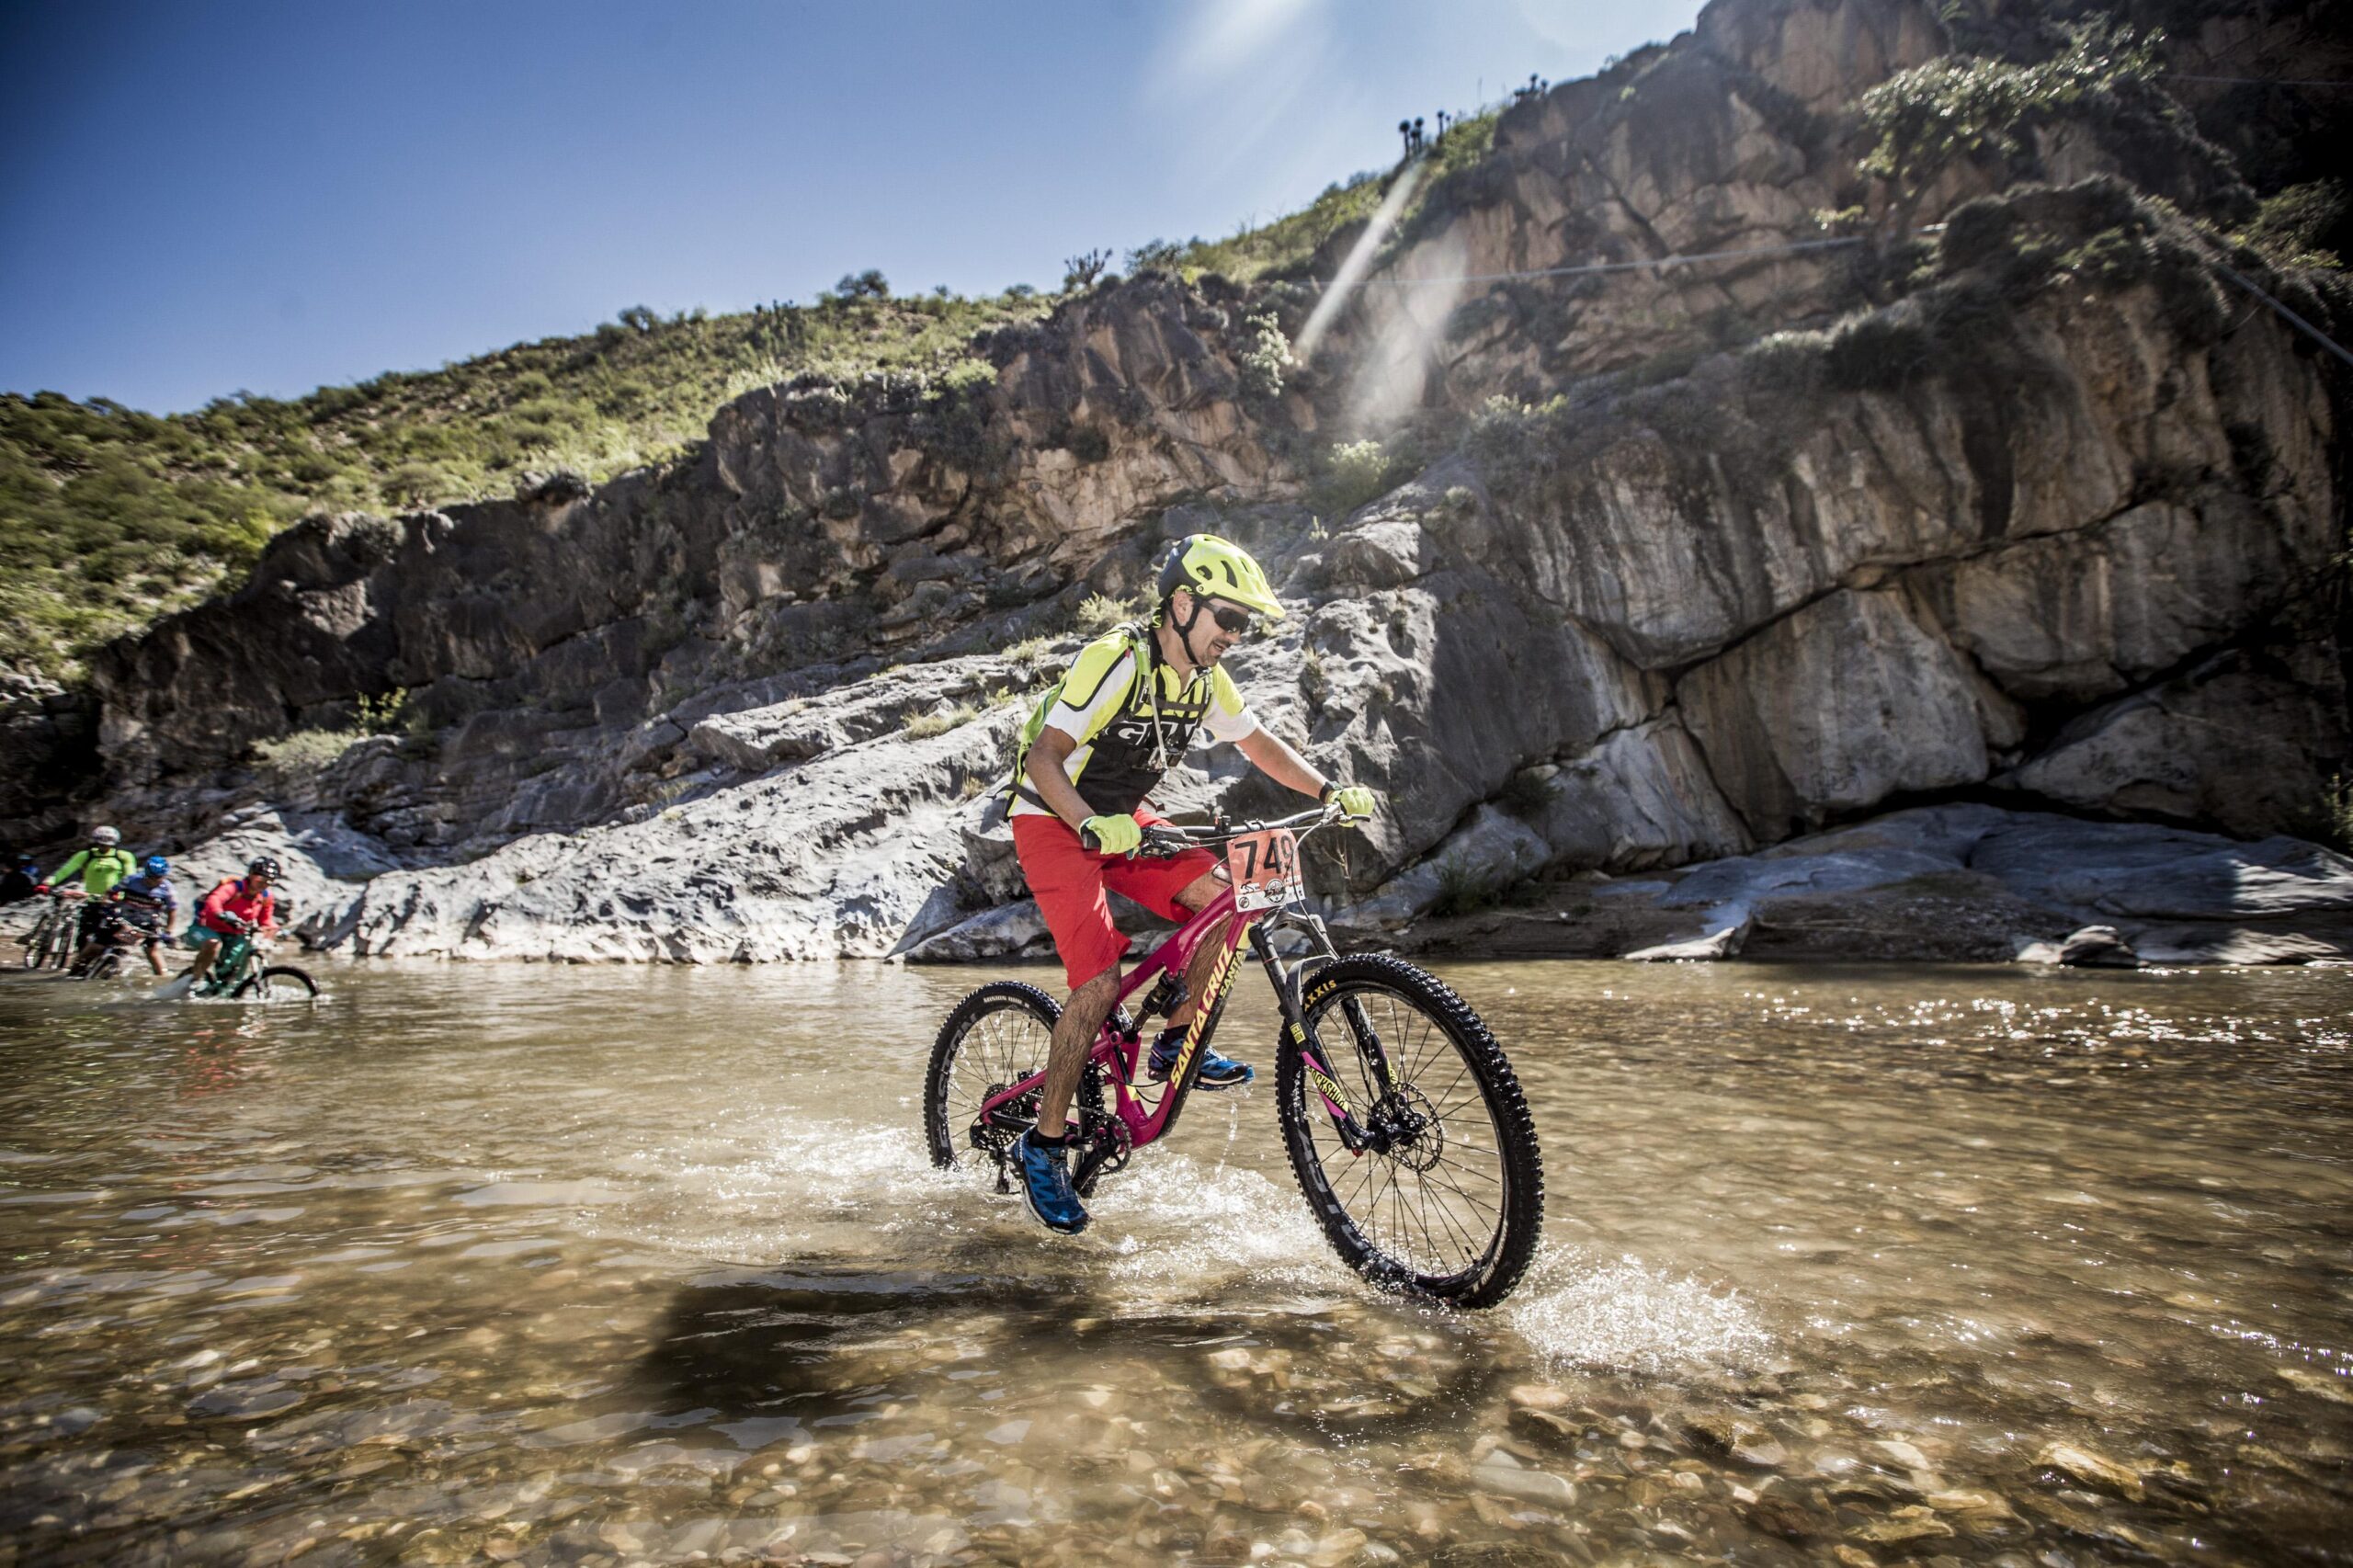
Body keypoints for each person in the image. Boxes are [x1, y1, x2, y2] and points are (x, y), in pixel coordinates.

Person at [1006, 534, 1377, 1234]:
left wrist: (1330, 790)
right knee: (1099, 985)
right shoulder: (1116, 660)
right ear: (1181, 605)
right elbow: (1045, 757)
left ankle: (1179, 1044)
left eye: (1244, 625)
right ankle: (1044, 1143)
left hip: (1121, 819)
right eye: (1226, 620)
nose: (1234, 636)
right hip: (1054, 818)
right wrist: (1089, 825)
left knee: (1227, 902)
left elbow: (1258, 744)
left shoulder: (1206, 680)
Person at [176, 857, 280, 990]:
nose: (264, 884)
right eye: (261, 879)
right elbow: (214, 900)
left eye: (269, 881)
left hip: (237, 933)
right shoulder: (233, 887)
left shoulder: (266, 896)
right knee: (213, 943)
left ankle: (231, 985)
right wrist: (221, 914)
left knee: (240, 958)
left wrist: (273, 929)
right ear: (251, 875)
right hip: (206, 928)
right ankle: (195, 978)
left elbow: (265, 920)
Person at [70, 855, 178, 977]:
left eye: (158, 878)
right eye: (150, 878)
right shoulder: (131, 880)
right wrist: (106, 906)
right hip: (121, 920)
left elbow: (172, 910)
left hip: (147, 925)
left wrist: (169, 932)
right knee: (93, 948)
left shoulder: (168, 889)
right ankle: (72, 974)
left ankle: (162, 981)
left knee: (153, 953)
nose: (154, 881)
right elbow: (110, 893)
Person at [37, 826, 139, 952]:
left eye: (107, 845)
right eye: (101, 844)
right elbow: (65, 870)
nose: (104, 847)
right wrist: (48, 882)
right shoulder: (85, 856)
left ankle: (122, 956)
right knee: (84, 933)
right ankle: (81, 962)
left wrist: (124, 895)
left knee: (119, 933)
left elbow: (130, 878)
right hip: (91, 899)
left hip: (115, 901)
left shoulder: (124, 857)